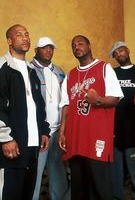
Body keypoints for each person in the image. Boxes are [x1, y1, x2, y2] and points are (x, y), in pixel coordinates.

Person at [58, 35, 123, 200]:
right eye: (73, 45)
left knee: (100, 189)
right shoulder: (70, 75)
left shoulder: (104, 68)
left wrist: (98, 100)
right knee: (79, 190)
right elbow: (66, 105)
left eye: (80, 43)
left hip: (96, 139)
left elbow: (115, 98)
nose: (76, 47)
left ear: (89, 45)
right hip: (76, 139)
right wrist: (62, 132)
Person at [0, 24, 50, 200]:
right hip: (11, 147)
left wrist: (44, 131)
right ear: (9, 41)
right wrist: (6, 138)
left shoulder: (32, 71)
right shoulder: (3, 68)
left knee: (27, 195)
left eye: (27, 34)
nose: (25, 38)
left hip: (32, 147)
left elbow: (38, 106)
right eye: (19, 35)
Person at [31, 37, 70, 200]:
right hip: (39, 132)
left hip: (58, 131)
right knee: (34, 174)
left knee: (58, 172)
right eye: (44, 48)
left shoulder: (59, 71)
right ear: (36, 50)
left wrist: (64, 128)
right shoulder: (28, 69)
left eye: (51, 48)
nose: (48, 51)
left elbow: (66, 101)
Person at [109, 41, 135, 200]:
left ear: (128, 50)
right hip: (114, 133)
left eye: (121, 50)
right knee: (115, 176)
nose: (119, 54)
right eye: (115, 53)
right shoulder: (111, 73)